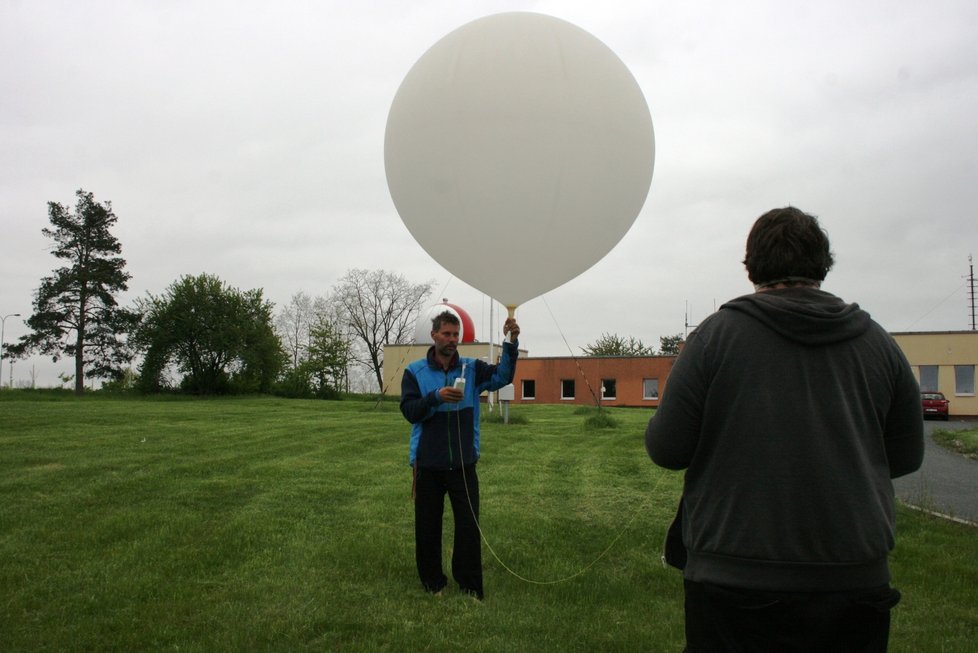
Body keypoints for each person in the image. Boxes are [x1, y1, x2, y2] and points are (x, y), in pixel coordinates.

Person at [645, 207, 924, 652]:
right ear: (822, 265)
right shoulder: (878, 342)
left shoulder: (713, 339)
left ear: (751, 266)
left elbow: (666, 448)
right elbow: (907, 457)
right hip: (854, 581)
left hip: (732, 582)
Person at [400, 310, 520, 600]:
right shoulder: (414, 372)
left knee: (468, 526)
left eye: (456, 335)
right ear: (434, 335)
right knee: (428, 527)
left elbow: (503, 376)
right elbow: (409, 411)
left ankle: (469, 585)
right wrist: (436, 397)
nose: (452, 340)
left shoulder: (471, 368)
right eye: (447, 334)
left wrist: (511, 342)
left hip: (463, 464)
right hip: (427, 465)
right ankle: (433, 583)